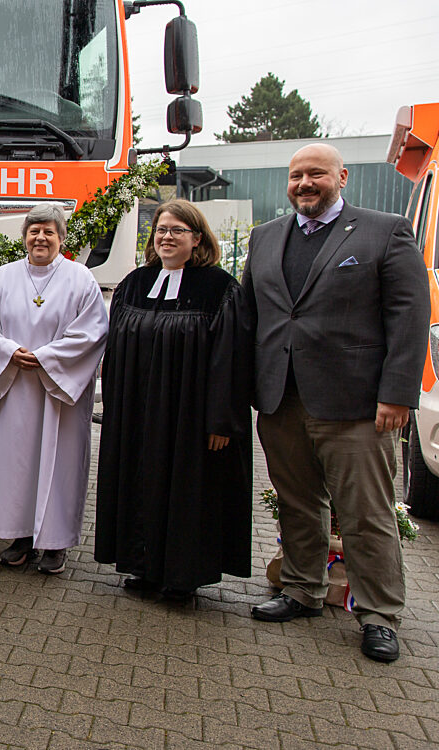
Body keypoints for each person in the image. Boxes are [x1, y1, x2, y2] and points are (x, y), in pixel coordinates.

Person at [244, 143, 428, 663]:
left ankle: (378, 614)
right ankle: (302, 589)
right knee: (298, 502)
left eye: (317, 174)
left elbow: (408, 317)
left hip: (355, 405)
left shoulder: (383, 231)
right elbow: (251, 320)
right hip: (281, 399)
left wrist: (397, 394)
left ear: (341, 177)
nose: (305, 183)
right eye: (297, 175)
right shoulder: (265, 238)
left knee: (365, 513)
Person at [95, 199, 253, 600]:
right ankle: (143, 567)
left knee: (186, 489)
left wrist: (222, 421)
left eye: (177, 231)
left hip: (189, 418)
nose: (167, 237)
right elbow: (114, 350)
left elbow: (230, 360)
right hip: (138, 414)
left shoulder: (218, 288)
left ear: (197, 238)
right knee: (140, 483)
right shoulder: (135, 283)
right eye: (162, 230)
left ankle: (182, 577)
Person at [0, 204, 107, 575]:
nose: (40, 238)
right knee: (17, 466)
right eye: (34, 231)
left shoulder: (81, 280)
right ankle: (20, 538)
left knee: (60, 465)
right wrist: (10, 352)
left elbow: (93, 332)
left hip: (60, 392)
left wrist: (47, 357)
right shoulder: (1, 278)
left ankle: (56, 543)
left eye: (48, 231)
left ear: (62, 238)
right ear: (24, 237)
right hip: (16, 387)